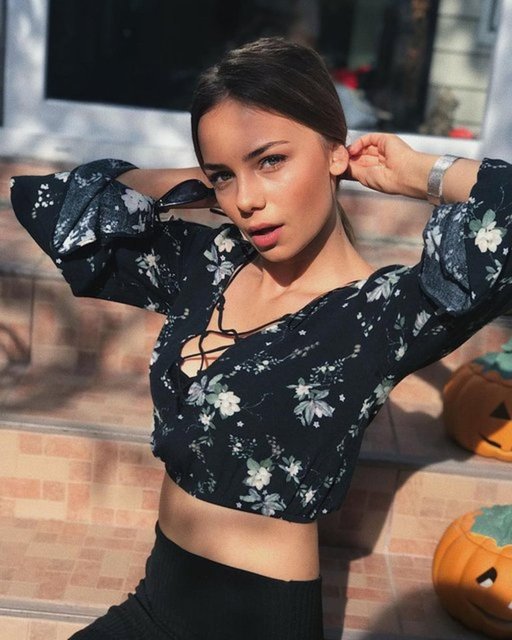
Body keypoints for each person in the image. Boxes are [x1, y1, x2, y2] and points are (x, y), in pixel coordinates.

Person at [9, 36, 512, 640]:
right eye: (225, 175)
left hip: (258, 622)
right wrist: (202, 182)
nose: (247, 201)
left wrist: (418, 173)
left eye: (271, 161)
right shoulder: (210, 263)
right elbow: (47, 203)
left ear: (335, 151)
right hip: (155, 602)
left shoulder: (384, 314)